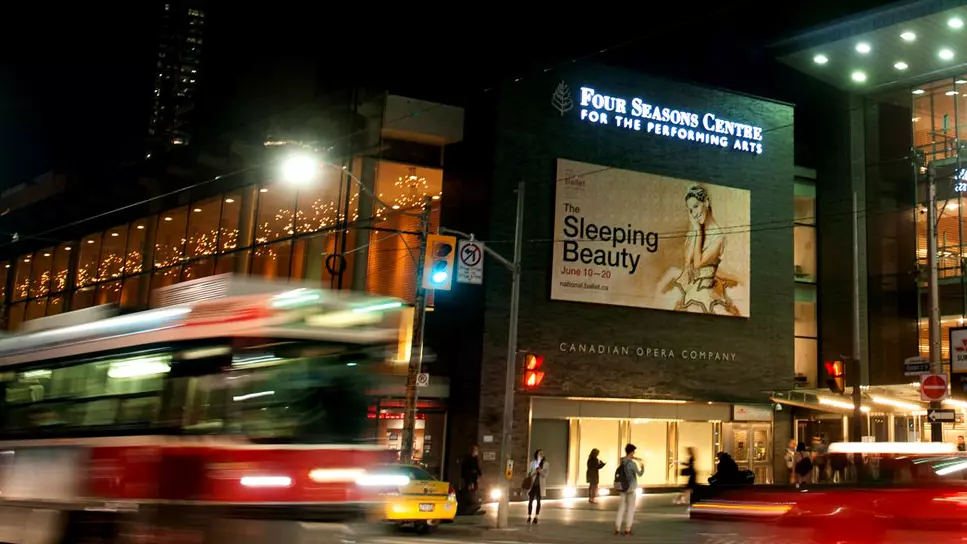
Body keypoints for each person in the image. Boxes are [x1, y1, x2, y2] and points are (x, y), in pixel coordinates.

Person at [660, 185, 741, 316]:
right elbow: (688, 261)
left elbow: (697, 263)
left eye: (696, 206)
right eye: (690, 210)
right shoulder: (697, 230)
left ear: (706, 202)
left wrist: (698, 230)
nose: (694, 213)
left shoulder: (718, 238)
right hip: (693, 286)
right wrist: (696, 231)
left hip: (706, 290)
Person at [614, 443, 644, 536]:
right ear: (631, 452)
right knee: (630, 509)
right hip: (631, 488)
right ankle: (627, 529)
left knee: (621, 508)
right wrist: (642, 466)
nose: (634, 453)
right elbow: (639, 474)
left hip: (622, 488)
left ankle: (617, 529)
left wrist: (632, 458)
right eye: (633, 452)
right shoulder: (632, 464)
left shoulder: (622, 461)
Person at [526, 449, 547, 525]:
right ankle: (529, 516)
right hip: (532, 485)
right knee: (530, 501)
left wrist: (540, 471)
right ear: (536, 454)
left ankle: (536, 517)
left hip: (540, 485)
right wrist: (535, 471)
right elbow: (528, 474)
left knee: (538, 501)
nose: (541, 455)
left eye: (542, 453)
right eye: (540, 453)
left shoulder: (546, 464)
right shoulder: (532, 463)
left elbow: (545, 475)